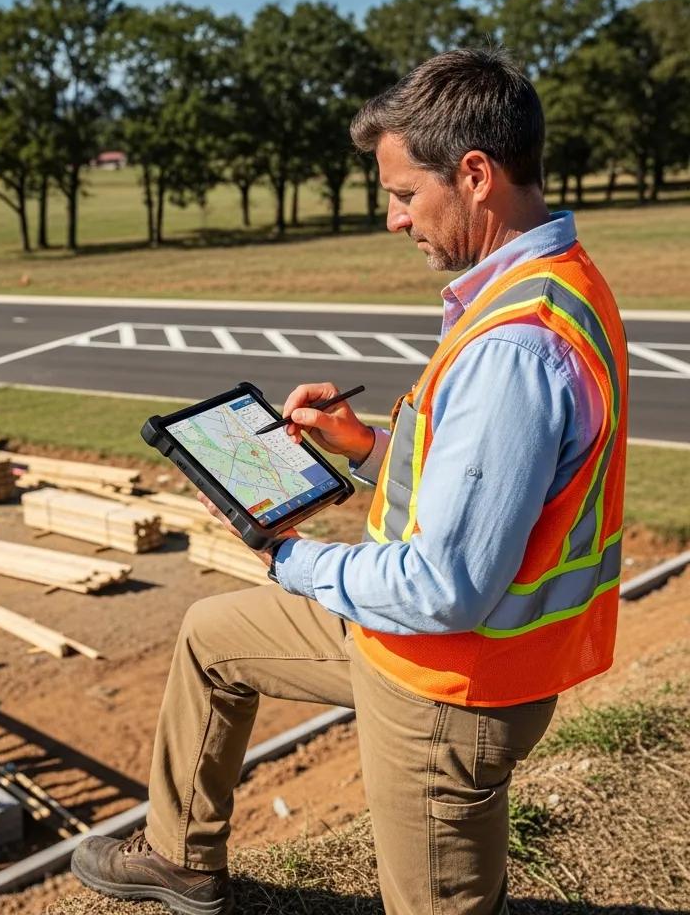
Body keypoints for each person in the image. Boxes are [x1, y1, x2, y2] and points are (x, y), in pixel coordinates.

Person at [71, 48, 629, 915]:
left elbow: (445, 587)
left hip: (450, 686)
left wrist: (289, 556)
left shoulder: (511, 349)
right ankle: (183, 859)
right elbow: (485, 487)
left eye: (405, 194)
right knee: (213, 636)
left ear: (474, 175)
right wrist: (361, 446)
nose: (395, 220)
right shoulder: (558, 283)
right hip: (425, 647)